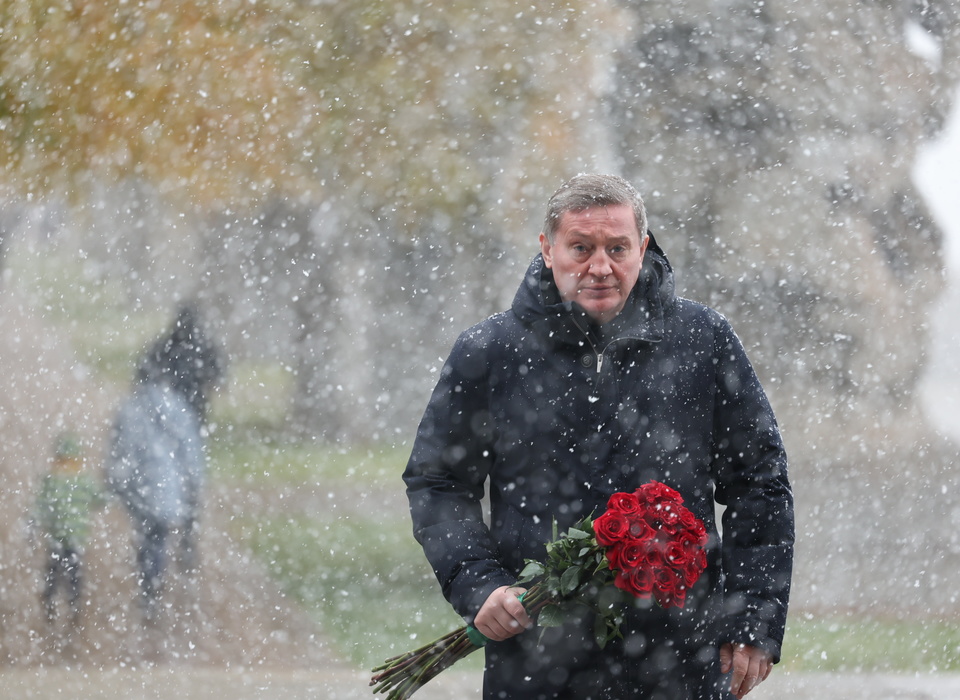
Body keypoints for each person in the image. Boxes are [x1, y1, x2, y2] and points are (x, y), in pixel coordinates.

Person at [403, 174, 794, 700]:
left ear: (644, 248)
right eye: (581, 248)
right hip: (536, 654)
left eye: (617, 248)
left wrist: (752, 618)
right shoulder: (489, 351)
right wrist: (480, 586)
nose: (600, 267)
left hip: (682, 655)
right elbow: (438, 482)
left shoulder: (704, 341)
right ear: (547, 249)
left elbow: (760, 483)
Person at [105, 303, 223, 621]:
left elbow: (121, 448)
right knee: (175, 503)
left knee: (150, 529)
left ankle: (150, 585)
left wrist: (114, 480)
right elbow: (219, 379)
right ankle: (183, 536)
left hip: (146, 473)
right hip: (186, 429)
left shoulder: (160, 352)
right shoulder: (199, 352)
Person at [32, 432, 104, 625]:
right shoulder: (84, 479)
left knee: (53, 573)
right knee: (74, 574)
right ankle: (74, 609)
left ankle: (49, 606)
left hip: (56, 536)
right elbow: (99, 498)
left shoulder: (51, 478)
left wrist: (31, 526)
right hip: (76, 538)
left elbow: (40, 505)